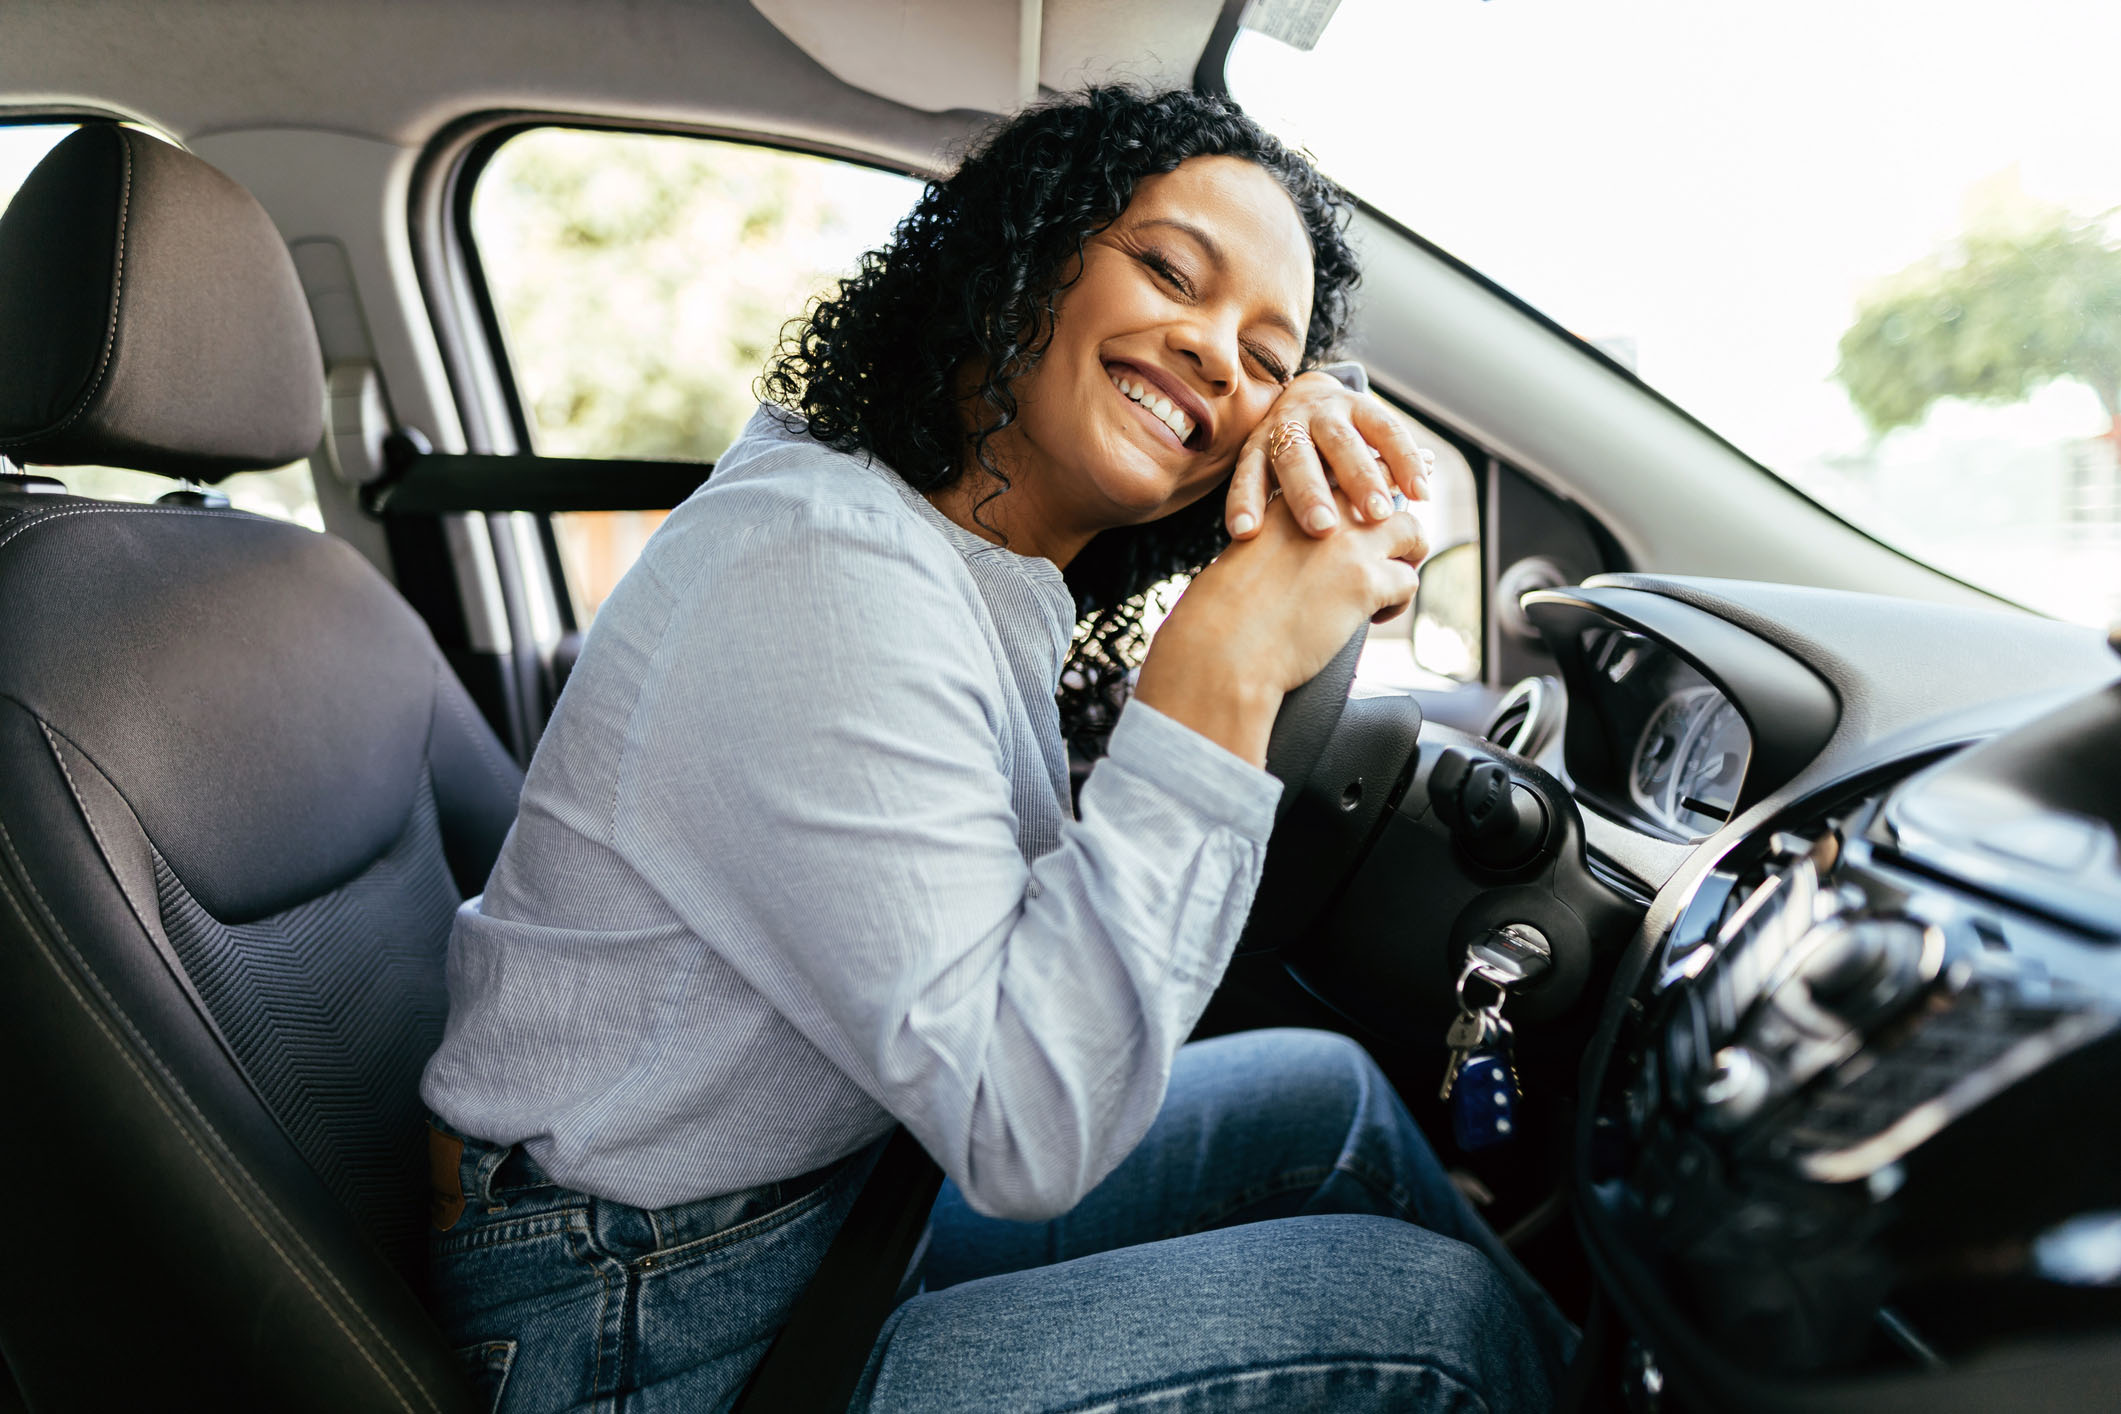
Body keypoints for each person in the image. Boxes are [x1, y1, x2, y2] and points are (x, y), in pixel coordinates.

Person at [420, 86, 1573, 1412]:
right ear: (1013, 255)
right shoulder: (823, 568)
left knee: (1325, 1097)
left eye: (1265, 358)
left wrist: (1317, 403)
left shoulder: (952, 550)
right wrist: (1225, 664)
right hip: (635, 1309)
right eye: (1166, 270)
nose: (1215, 358)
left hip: (816, 1200)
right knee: (1429, 1323)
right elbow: (1025, 1129)